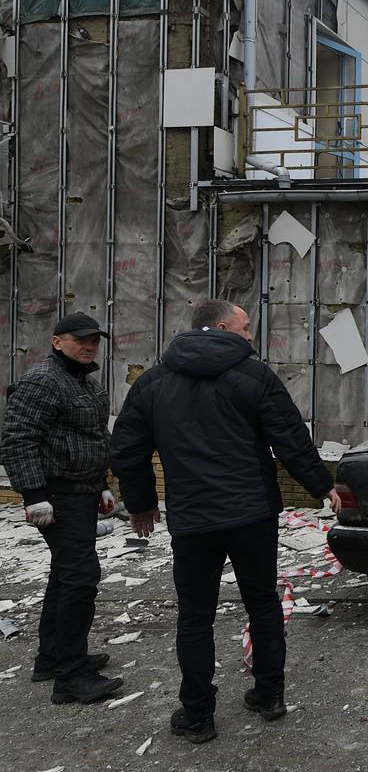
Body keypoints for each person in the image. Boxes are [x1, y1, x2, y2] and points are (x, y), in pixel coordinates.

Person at [110, 299, 338, 744]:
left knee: (195, 617)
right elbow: (289, 437)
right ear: (220, 327)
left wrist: (141, 502)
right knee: (262, 602)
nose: (251, 335)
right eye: (246, 327)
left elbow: (126, 449)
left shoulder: (154, 383)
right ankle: (270, 694)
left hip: (194, 520)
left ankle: (197, 715)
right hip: (252, 514)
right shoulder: (254, 375)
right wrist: (321, 484)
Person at [0, 313, 123, 704]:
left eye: (94, 341)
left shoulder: (83, 381)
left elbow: (91, 437)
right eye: (80, 340)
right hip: (57, 494)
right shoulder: (43, 380)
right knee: (81, 578)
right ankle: (70, 677)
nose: (89, 347)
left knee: (65, 576)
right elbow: (17, 439)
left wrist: (101, 485)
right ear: (57, 342)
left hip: (82, 492)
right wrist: (34, 494)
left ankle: (52, 658)